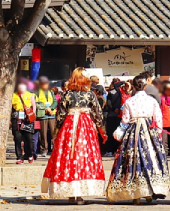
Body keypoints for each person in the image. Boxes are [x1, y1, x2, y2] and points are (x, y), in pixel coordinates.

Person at [42, 68, 106, 203]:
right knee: (83, 156)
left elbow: (60, 115)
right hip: (85, 127)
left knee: (69, 156)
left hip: (69, 128)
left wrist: (56, 133)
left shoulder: (67, 94)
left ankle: (71, 193)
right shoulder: (90, 94)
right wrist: (102, 130)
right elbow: (97, 113)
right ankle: (80, 194)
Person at [107, 74, 170, 204]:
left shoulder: (129, 101)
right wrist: (157, 135)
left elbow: (125, 121)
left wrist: (119, 133)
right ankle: (149, 192)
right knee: (151, 160)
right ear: (145, 86)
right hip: (149, 131)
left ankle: (136, 194)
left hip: (133, 132)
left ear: (134, 87)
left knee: (133, 161)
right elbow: (158, 119)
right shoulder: (152, 100)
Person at [12, 82, 36, 164]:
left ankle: (30, 155)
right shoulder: (14, 95)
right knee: (17, 139)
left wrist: (31, 115)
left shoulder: (30, 95)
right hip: (17, 120)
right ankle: (19, 157)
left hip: (27, 121)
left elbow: (34, 106)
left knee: (29, 139)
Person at [36, 76, 57, 158]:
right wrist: (45, 109)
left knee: (53, 133)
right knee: (43, 134)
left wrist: (51, 108)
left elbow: (55, 102)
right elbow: (36, 103)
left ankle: (55, 148)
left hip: (51, 115)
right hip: (43, 115)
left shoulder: (51, 92)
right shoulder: (37, 92)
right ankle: (44, 149)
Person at [103, 79, 125, 157]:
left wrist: (113, 108)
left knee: (110, 133)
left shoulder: (112, 92)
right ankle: (117, 150)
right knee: (119, 133)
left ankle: (110, 150)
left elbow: (108, 103)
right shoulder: (123, 92)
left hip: (111, 115)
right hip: (120, 115)